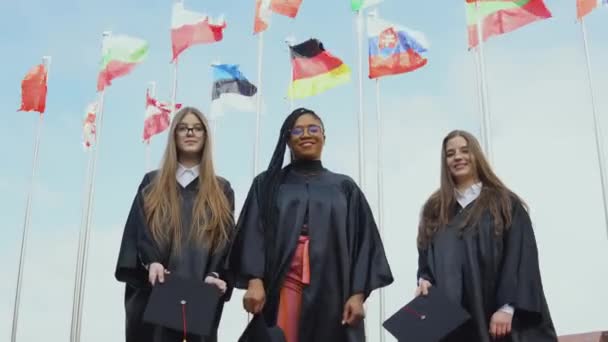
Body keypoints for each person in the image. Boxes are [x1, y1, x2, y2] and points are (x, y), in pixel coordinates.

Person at [227, 107, 393, 342]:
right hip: (284, 283)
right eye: (298, 131)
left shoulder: (345, 187)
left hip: (333, 287)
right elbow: (253, 234)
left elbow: (364, 243)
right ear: (287, 139)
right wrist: (254, 281)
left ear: (324, 137)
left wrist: (357, 295)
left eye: (313, 129)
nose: (306, 134)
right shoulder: (266, 185)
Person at [415, 130, 557, 341]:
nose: (458, 157)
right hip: (452, 322)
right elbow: (427, 258)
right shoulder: (435, 209)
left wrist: (507, 307)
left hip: (497, 318)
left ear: (476, 155)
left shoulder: (504, 202)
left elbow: (519, 257)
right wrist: (424, 279)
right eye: (450, 153)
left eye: (465, 151)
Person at [114, 107, 235, 342]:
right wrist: (151, 261)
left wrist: (215, 273)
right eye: (183, 127)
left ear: (205, 136)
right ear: (174, 135)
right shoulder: (152, 183)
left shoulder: (221, 190)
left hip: (199, 292)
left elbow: (225, 240)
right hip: (155, 292)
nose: (190, 132)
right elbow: (138, 232)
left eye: (197, 128)